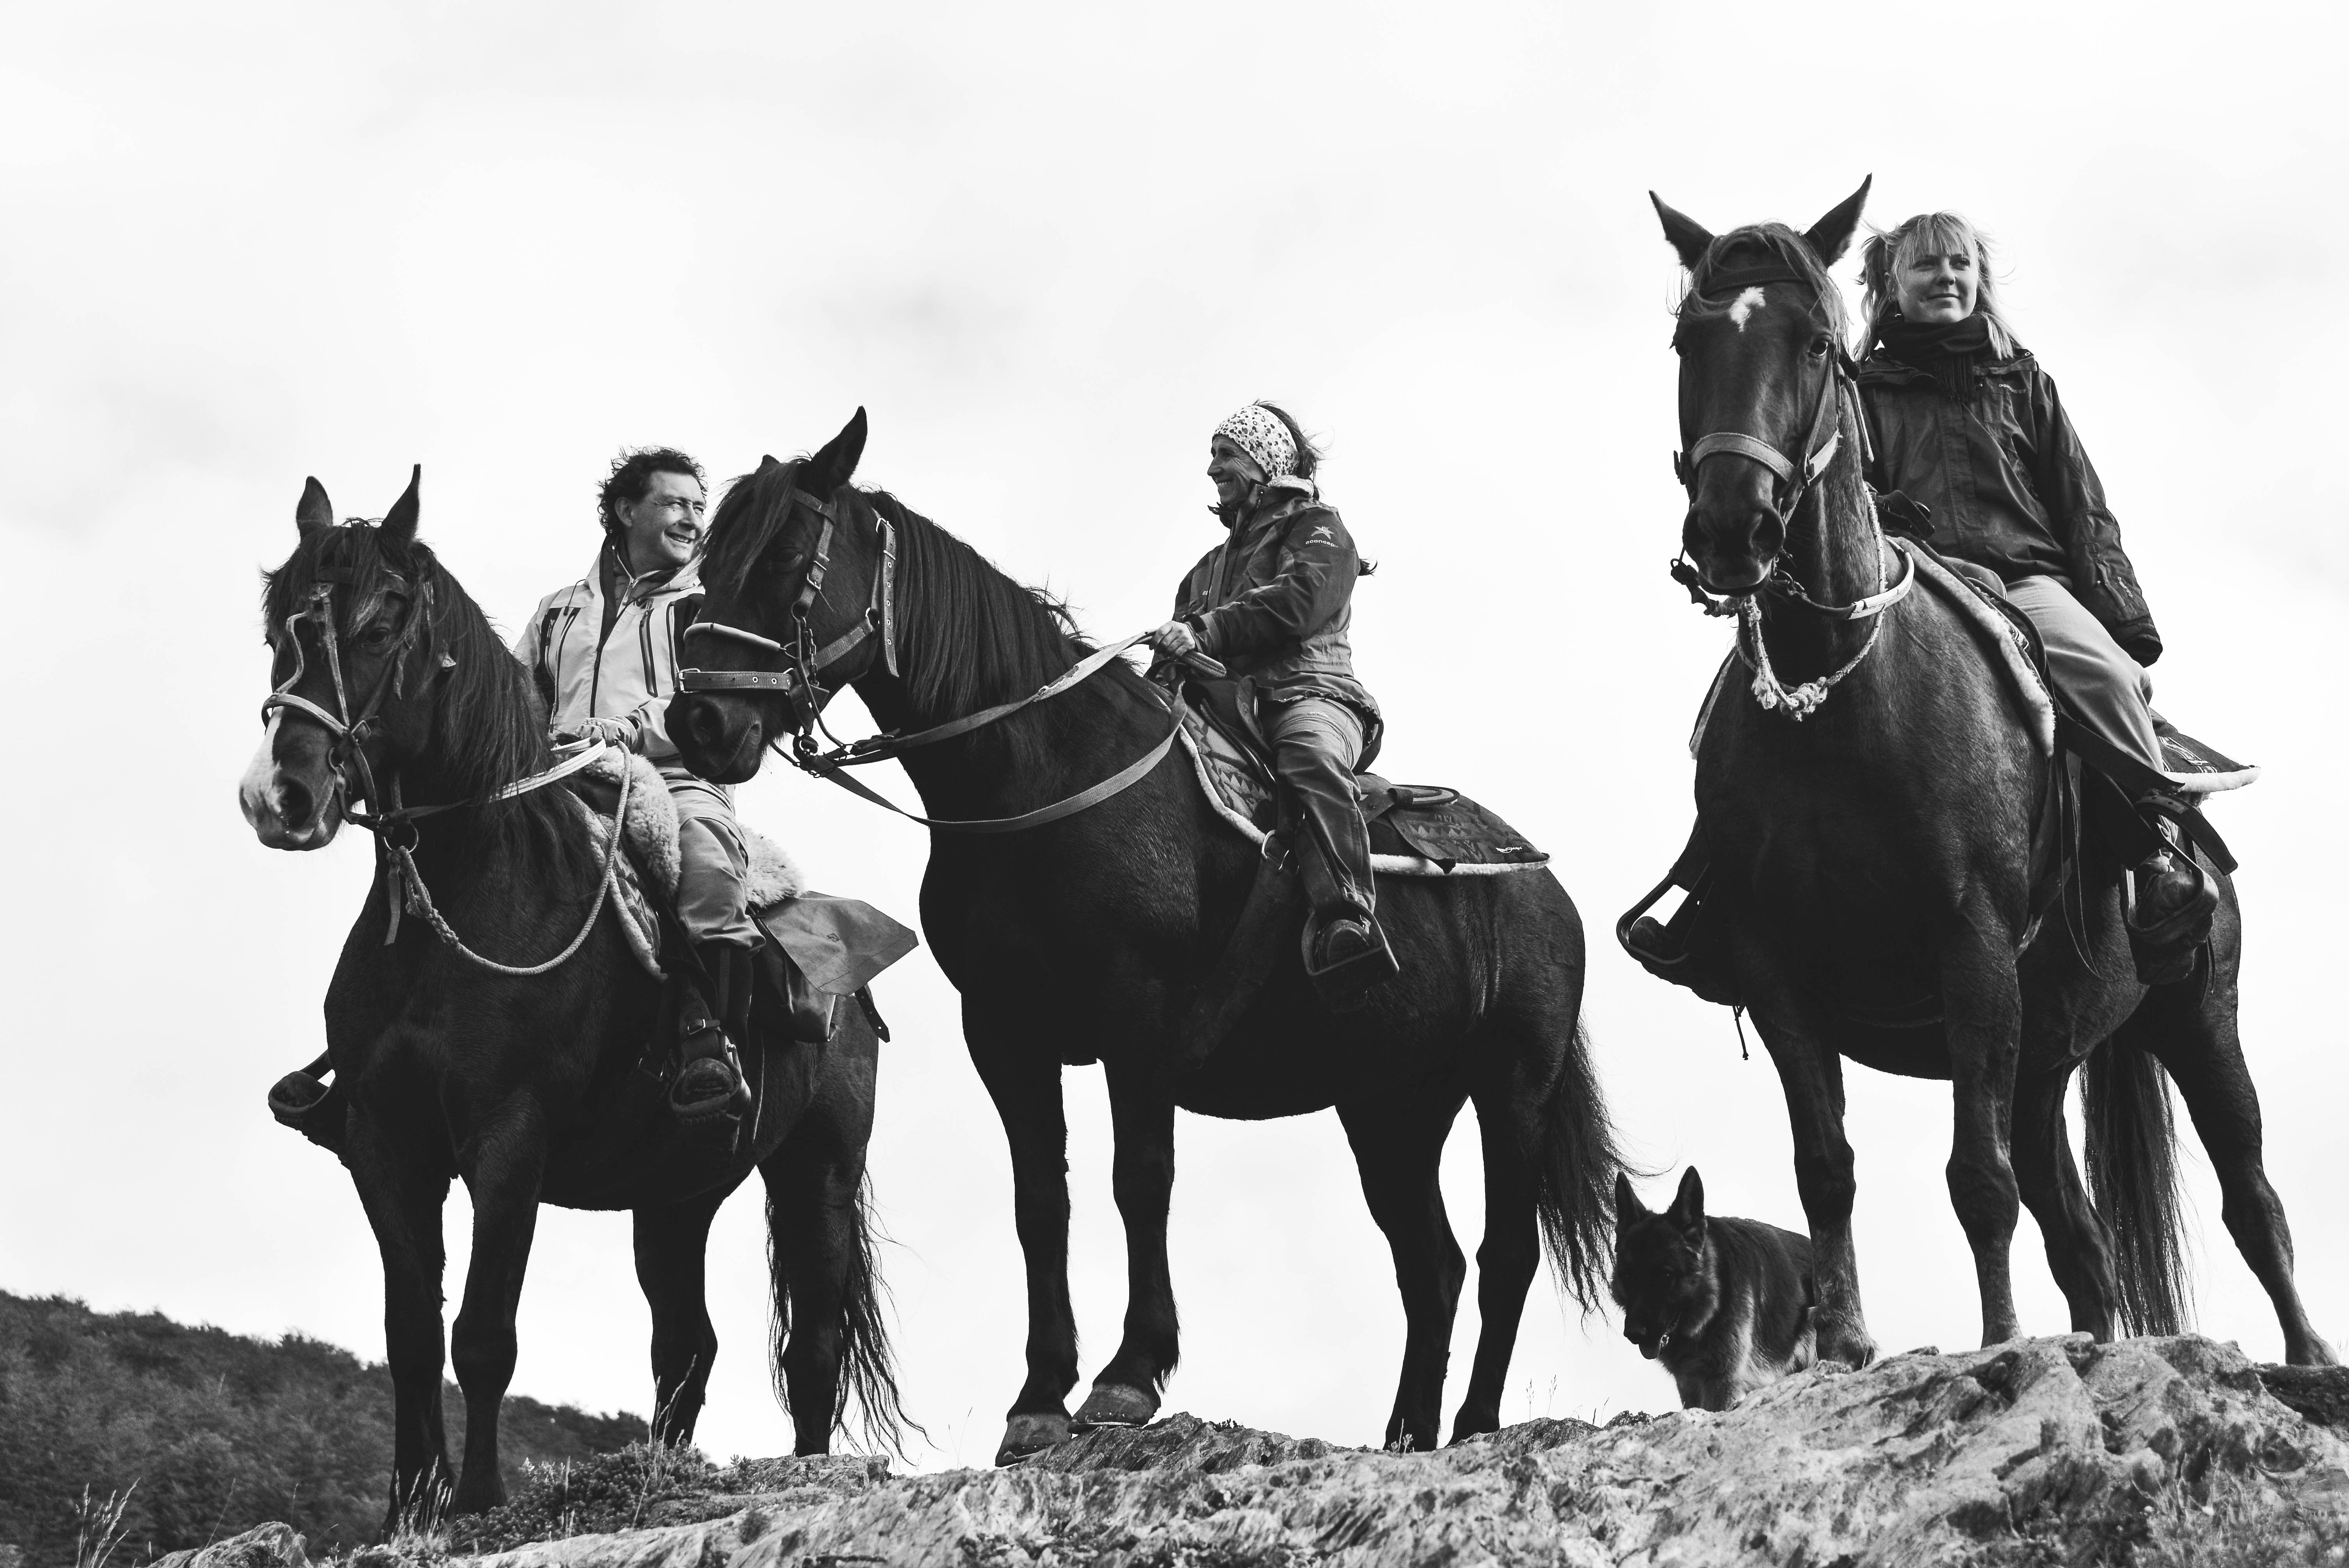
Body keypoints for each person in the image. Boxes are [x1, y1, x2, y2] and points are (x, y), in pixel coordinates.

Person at [1856, 211, 2215, 969]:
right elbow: (1844, 497)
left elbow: (2082, 507)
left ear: (1977, 281)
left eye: (1958, 264)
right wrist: (1879, 516)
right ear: (1889, 288)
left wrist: (2121, 624)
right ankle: (1722, 887)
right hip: (1919, 584)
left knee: (2110, 679)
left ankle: (2154, 862)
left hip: (2026, 581)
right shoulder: (1859, 392)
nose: (1945, 277)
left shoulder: (2021, 381)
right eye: (1924, 266)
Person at [516, 447, 757, 1126]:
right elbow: (517, 697)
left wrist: (623, 732)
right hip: (557, 778)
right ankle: (366, 1053)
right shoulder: (556, 611)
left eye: (698, 508)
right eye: (675, 503)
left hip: (678, 781)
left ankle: (715, 1045)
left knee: (711, 869)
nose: (692, 520)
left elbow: (709, 699)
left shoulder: (710, 607)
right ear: (627, 511)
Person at [1150, 403, 1397, 999]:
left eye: (1226, 454)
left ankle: (1348, 914)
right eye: (1212, 455)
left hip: (1313, 695)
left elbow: (1298, 603)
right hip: (1223, 706)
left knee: (1308, 754)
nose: (1212, 469)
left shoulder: (1318, 528)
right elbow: (1176, 656)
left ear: (1265, 462)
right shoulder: (1203, 571)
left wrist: (1206, 632)